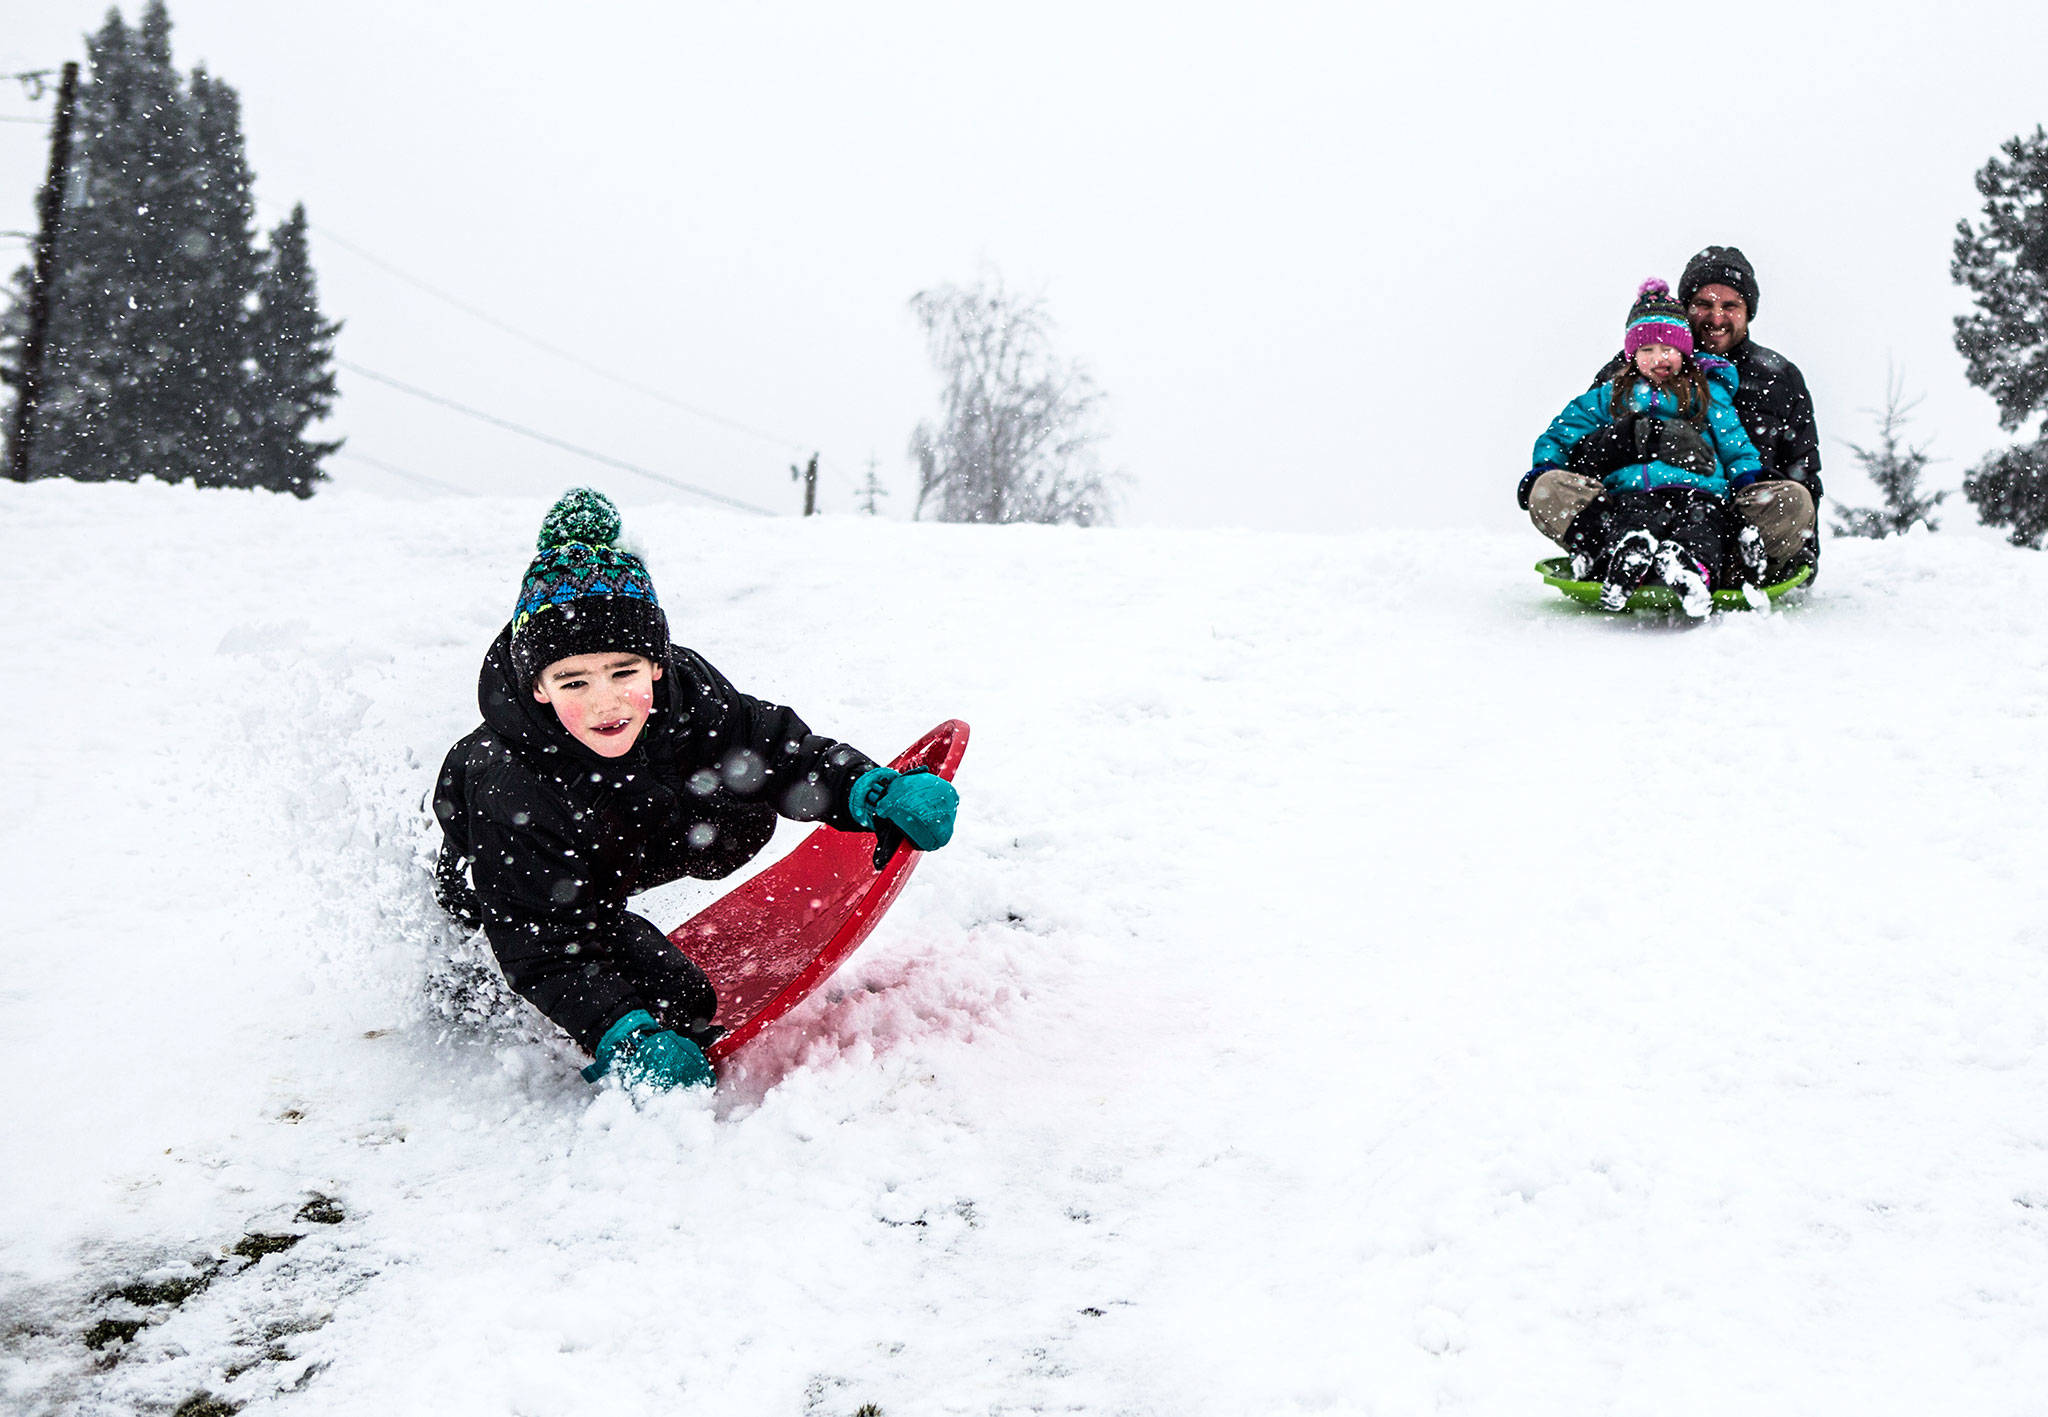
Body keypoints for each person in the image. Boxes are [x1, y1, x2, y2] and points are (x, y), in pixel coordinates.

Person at [431, 488, 959, 1091]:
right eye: (575, 681)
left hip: (613, 832)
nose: (605, 701)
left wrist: (869, 790)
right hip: (515, 886)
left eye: (624, 672)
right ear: (540, 688)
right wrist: (621, 1032)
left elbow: (774, 747)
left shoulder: (686, 693)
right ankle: (475, 978)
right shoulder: (511, 784)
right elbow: (540, 935)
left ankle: (617, 909)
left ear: (657, 664)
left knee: (738, 789)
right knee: (677, 1006)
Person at [1520, 245, 1822, 581]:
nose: (1716, 317)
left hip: (1720, 515)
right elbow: (1574, 450)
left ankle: (1725, 563)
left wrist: (1805, 548)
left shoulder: (1777, 378)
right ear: (1686, 308)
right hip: (1630, 504)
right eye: (1704, 305)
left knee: (1794, 500)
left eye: (1730, 306)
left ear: (1748, 311)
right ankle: (1616, 554)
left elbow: (1803, 468)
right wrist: (1639, 438)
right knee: (1548, 488)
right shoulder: (1624, 376)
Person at [1523, 279, 1765, 615]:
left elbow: (1734, 442)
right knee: (1630, 525)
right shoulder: (1612, 396)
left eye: (1668, 349)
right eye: (1647, 350)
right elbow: (1563, 431)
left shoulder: (1706, 393)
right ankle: (1627, 559)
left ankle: (1688, 568)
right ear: (1632, 355)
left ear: (1685, 352)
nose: (1658, 358)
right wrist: (1544, 467)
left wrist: (1746, 479)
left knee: (1702, 531)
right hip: (1634, 492)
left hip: (1699, 491)